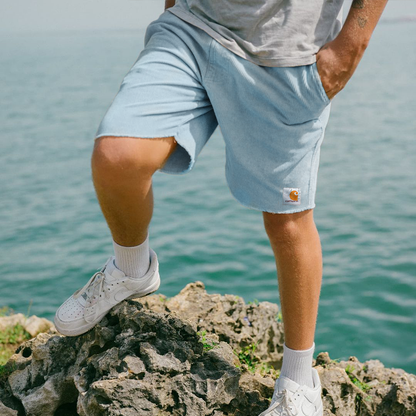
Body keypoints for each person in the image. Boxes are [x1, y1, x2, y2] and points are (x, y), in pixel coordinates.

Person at [54, 0, 388, 414]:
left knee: (287, 223)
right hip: (192, 28)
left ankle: (300, 380)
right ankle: (130, 268)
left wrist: (353, 41)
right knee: (117, 157)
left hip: (284, 53)